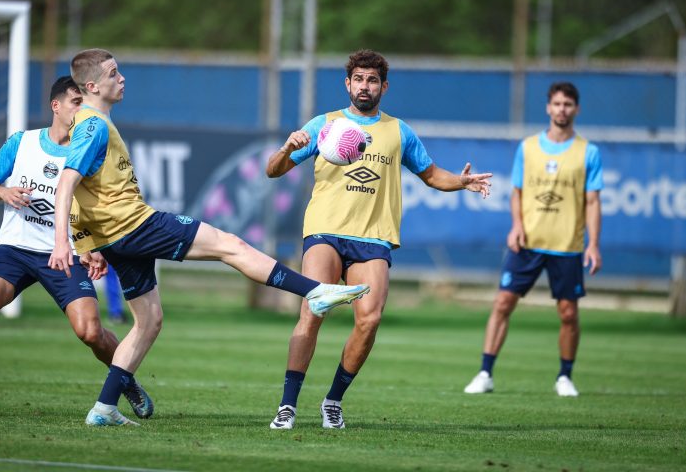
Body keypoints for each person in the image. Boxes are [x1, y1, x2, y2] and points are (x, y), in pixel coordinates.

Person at [47, 48, 370, 427]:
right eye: (114, 73)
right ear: (92, 85)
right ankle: (315, 291)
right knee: (230, 245)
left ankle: (103, 408)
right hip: (134, 225)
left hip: (114, 237)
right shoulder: (92, 125)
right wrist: (63, 243)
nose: (122, 79)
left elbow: (81, 192)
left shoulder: (90, 123)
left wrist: (90, 244)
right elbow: (66, 183)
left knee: (148, 321)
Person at [265, 49, 493, 429]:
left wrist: (462, 181)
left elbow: (432, 174)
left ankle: (333, 401)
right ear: (347, 83)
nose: (365, 86)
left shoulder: (398, 131)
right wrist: (288, 147)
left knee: (369, 321)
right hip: (325, 230)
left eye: (372, 80)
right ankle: (287, 406)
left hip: (373, 239)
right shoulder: (326, 125)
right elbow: (273, 170)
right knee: (312, 311)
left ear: (383, 86)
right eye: (358, 79)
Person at [0, 76, 153, 418]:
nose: (83, 109)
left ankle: (126, 380)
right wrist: (3, 192)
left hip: (65, 253)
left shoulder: (89, 147)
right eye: (77, 103)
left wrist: (94, 248)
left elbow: (102, 206)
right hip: (15, 249)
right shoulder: (22, 143)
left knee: (90, 331)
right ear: (56, 106)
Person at [463, 81, 602, 398]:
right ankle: (485, 372)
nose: (561, 109)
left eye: (567, 104)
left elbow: (593, 202)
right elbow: (517, 192)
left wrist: (593, 244)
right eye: (556, 104)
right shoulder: (528, 148)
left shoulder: (588, 152)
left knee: (568, 313)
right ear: (547, 108)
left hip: (566, 245)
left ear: (576, 109)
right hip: (527, 243)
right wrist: (516, 226)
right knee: (502, 303)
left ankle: (564, 376)